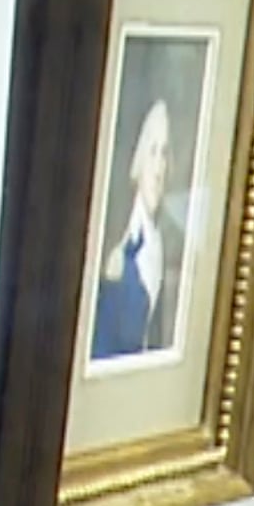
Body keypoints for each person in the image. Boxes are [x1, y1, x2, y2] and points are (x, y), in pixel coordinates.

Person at [93, 97, 181, 363]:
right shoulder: (118, 252)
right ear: (139, 160)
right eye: (152, 152)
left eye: (164, 153)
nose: (158, 169)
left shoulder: (166, 244)